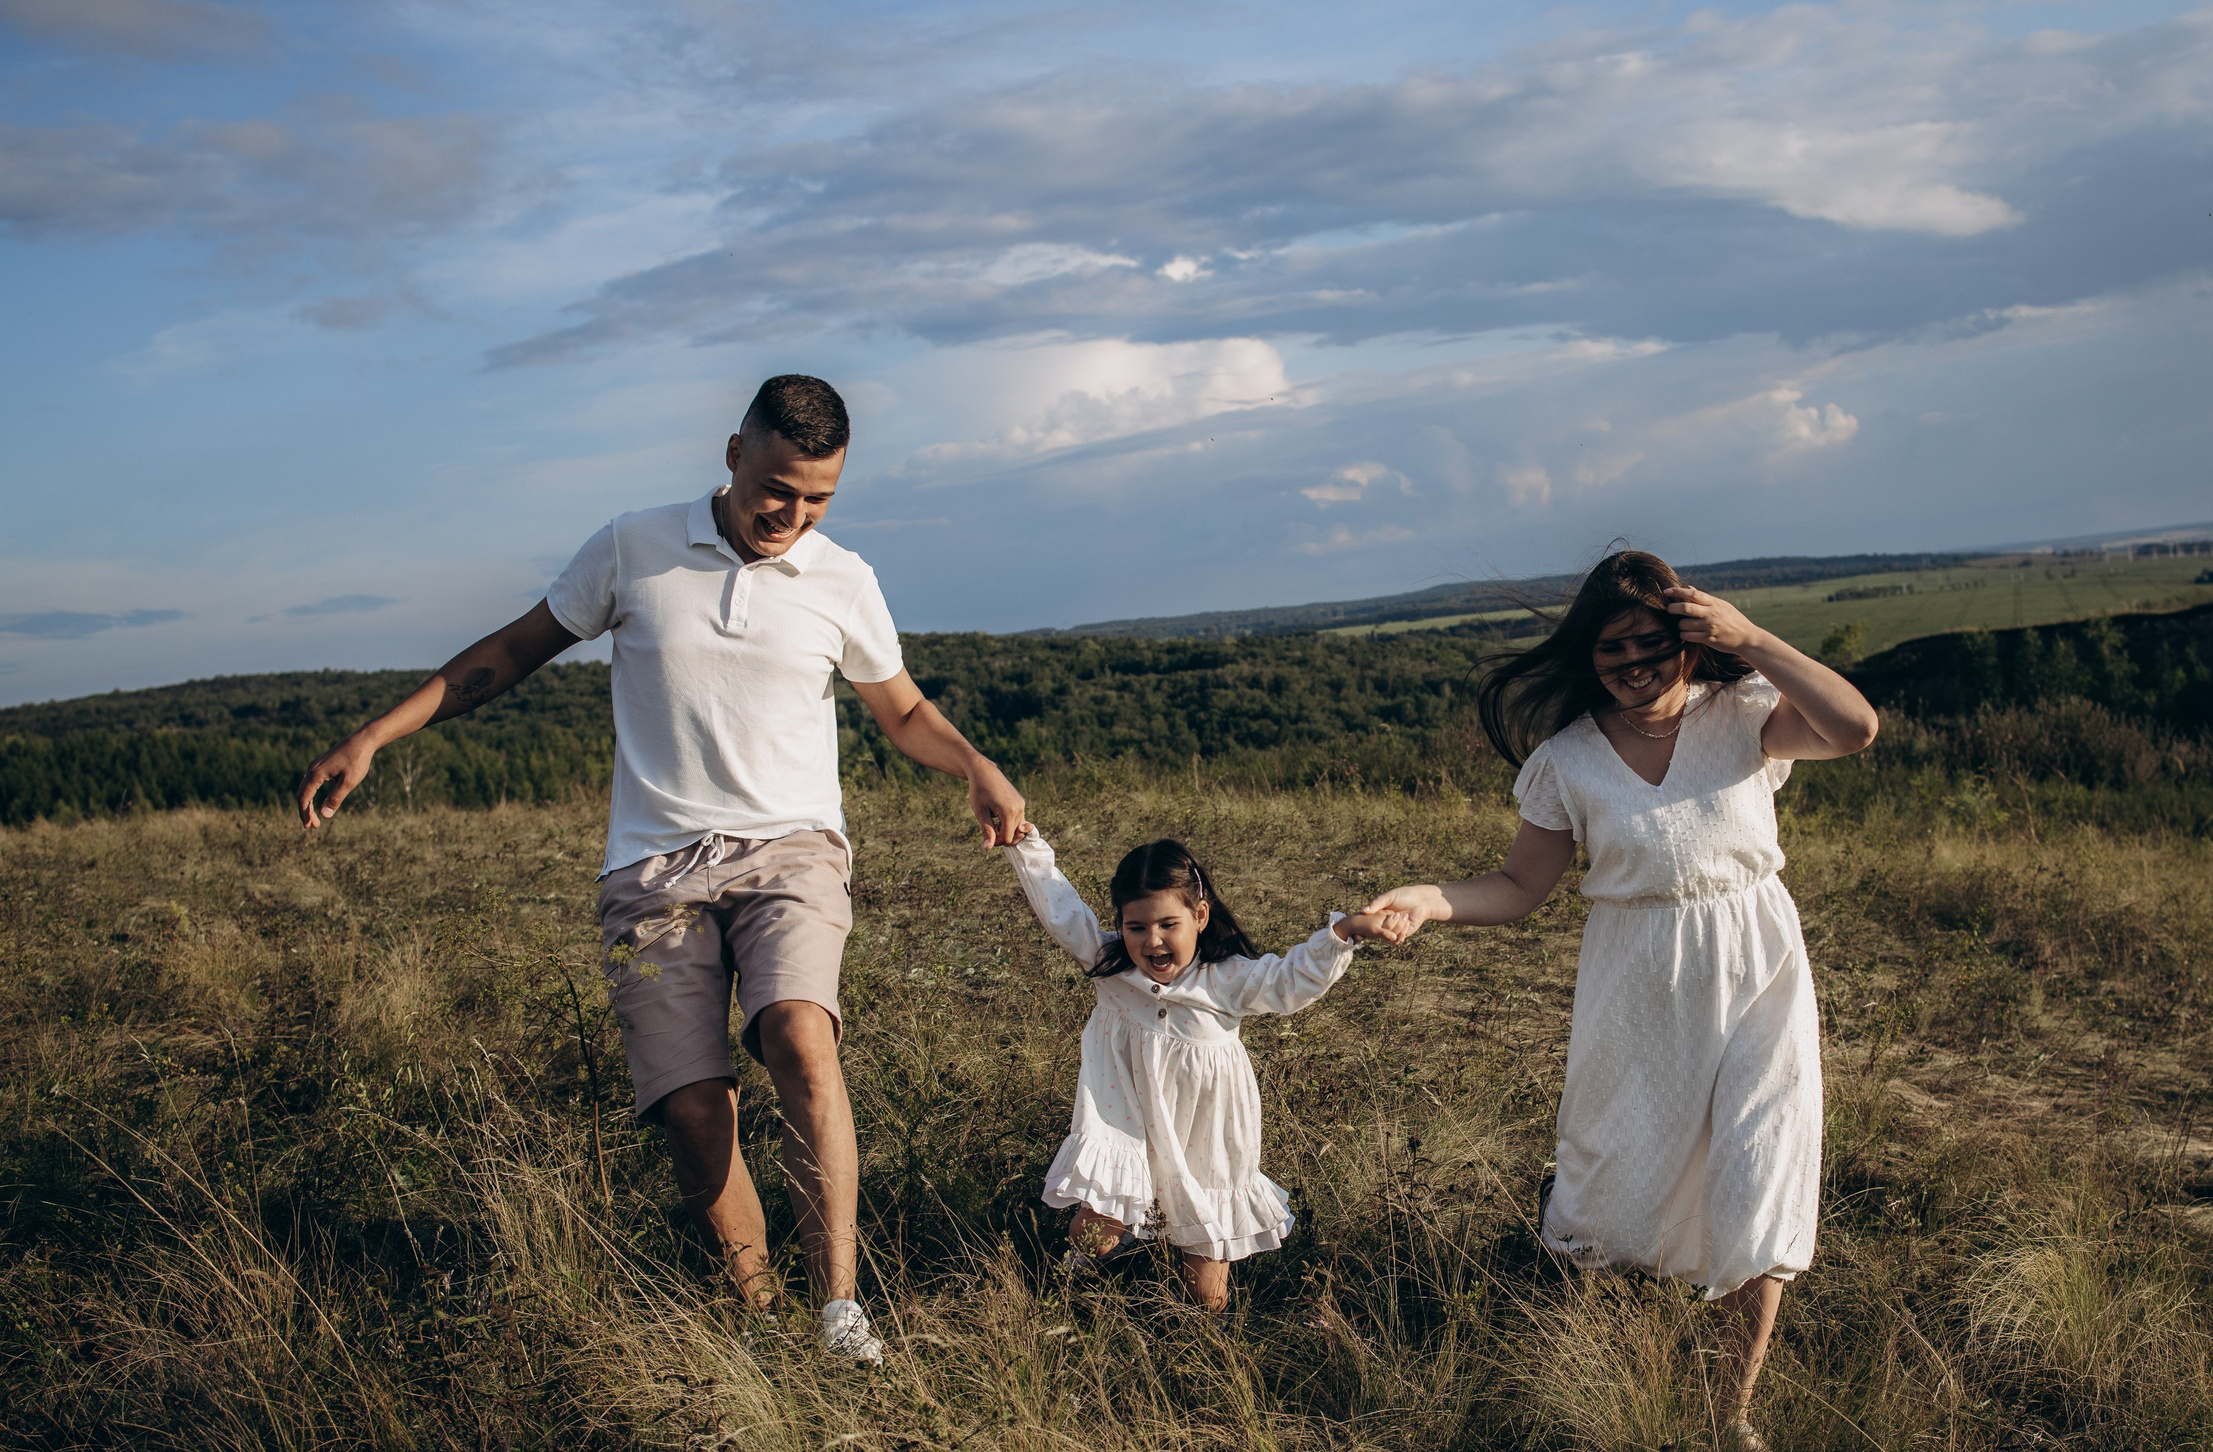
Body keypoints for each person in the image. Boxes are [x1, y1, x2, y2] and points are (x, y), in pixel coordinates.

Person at [295, 375, 1028, 1362]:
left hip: (792, 851)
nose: (792, 515)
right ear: (733, 455)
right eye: (778, 487)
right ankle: (758, 1313)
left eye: (819, 499)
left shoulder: (841, 578)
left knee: (800, 1039)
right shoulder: (632, 547)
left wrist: (975, 764)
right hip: (654, 869)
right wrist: (377, 735)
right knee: (692, 1104)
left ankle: (839, 1312)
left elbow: (898, 709)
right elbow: (514, 650)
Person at [1360, 548, 1877, 1452]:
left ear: (1690, 638)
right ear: (1585, 656)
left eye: (1651, 643)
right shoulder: (1569, 760)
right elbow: (1520, 885)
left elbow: (1855, 726)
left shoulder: (1746, 717)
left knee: (1760, 1173)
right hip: (1637, 987)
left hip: (1757, 974)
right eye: (1611, 650)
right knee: (1612, 1186)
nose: (1632, 665)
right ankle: (1600, 1383)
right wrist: (1427, 899)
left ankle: (1731, 1410)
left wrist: (1752, 639)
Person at [998, 830, 1409, 1311]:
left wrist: (1346, 932)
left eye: (1168, 924)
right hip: (1126, 1129)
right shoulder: (1110, 966)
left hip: (1203, 1143)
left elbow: (1290, 981)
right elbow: (1060, 907)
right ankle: (1115, 1258)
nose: (1152, 941)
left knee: (1204, 1298)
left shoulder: (1226, 979)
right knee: (1089, 1237)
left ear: (1199, 915)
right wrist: (1023, 841)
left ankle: (1202, 1340)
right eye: (1136, 928)